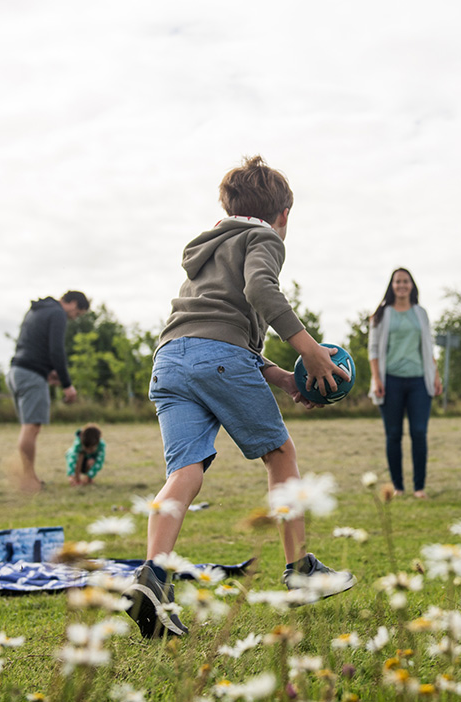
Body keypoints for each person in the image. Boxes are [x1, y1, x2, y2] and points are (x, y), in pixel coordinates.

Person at [125, 155, 356, 639]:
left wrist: (285, 378)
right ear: (284, 215)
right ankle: (300, 571)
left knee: (185, 473)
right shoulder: (264, 238)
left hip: (170, 360)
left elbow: (216, 333)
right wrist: (310, 352)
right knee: (280, 453)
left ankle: (154, 577)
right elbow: (259, 290)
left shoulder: (208, 248)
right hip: (217, 358)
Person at [368, 268, 442, 499]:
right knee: (394, 434)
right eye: (398, 281)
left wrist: (436, 375)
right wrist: (377, 378)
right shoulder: (381, 314)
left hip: (419, 380)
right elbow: (373, 349)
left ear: (412, 285)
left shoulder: (421, 313)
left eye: (405, 281)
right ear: (392, 286)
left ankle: (419, 488)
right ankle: (398, 487)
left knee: (419, 432)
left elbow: (428, 346)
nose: (402, 285)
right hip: (391, 381)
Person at [6, 291, 89, 493]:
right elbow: (56, 350)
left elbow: (31, 345)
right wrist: (67, 384)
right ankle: (28, 480)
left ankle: (29, 476)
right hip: (30, 374)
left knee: (29, 428)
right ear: (72, 303)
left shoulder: (37, 310)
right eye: (77, 313)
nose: (73, 317)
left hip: (16, 372)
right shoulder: (57, 313)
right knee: (31, 428)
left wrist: (47, 372)